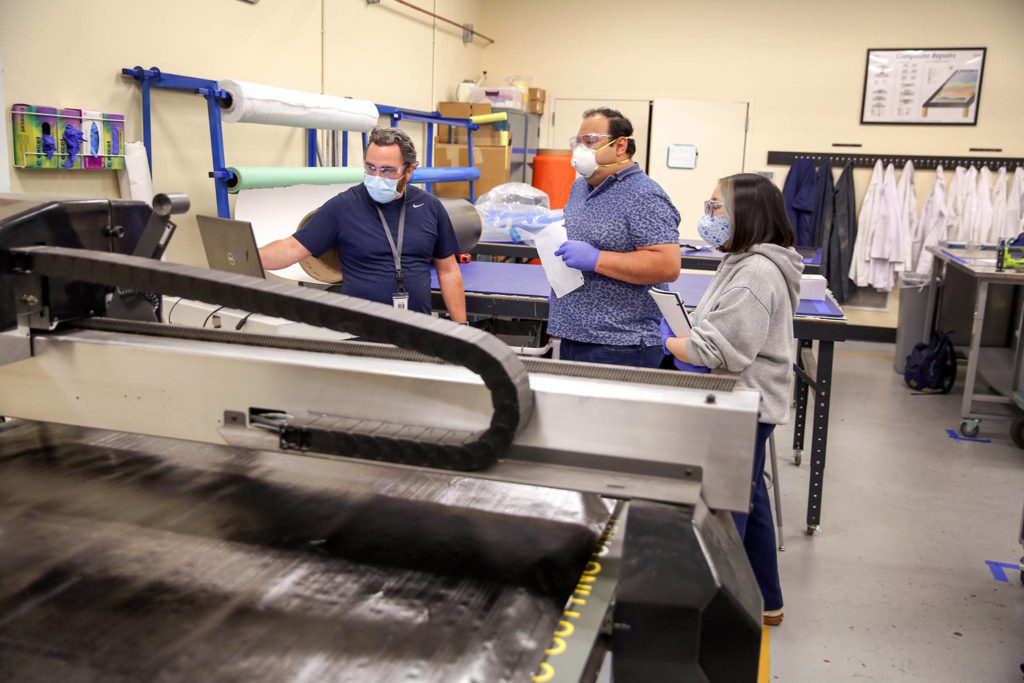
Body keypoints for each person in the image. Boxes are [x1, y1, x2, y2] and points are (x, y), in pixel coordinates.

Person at [661, 173, 803, 626]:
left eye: (716, 208)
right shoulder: (743, 261)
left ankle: (722, 615)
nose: (708, 217)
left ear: (748, 216)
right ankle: (768, 601)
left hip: (745, 402)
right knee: (751, 498)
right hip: (746, 398)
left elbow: (717, 350)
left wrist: (672, 342)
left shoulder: (756, 274)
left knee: (725, 509)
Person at [259, 127, 467, 322]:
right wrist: (245, 255)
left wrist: (462, 328)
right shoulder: (343, 207)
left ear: (409, 171)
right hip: (359, 332)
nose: (377, 177)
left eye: (387, 170)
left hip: (417, 333)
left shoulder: (429, 207)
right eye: (371, 168)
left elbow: (448, 271)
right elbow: (291, 248)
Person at [548, 108, 681, 367]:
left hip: (621, 343)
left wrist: (597, 259)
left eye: (590, 141)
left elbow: (667, 265)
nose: (580, 151)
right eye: (578, 143)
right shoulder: (580, 187)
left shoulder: (643, 195)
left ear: (620, 145)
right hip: (575, 334)